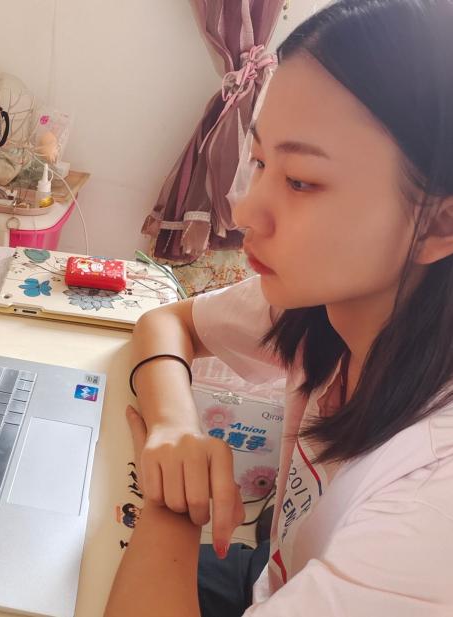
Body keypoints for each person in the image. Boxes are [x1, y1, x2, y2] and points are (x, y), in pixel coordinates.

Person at [105, 1, 453, 615]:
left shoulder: (428, 511)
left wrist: (173, 501)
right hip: (273, 578)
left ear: (439, 223)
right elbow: (167, 322)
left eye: (301, 182)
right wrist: (175, 428)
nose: (243, 212)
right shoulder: (332, 303)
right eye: (261, 162)